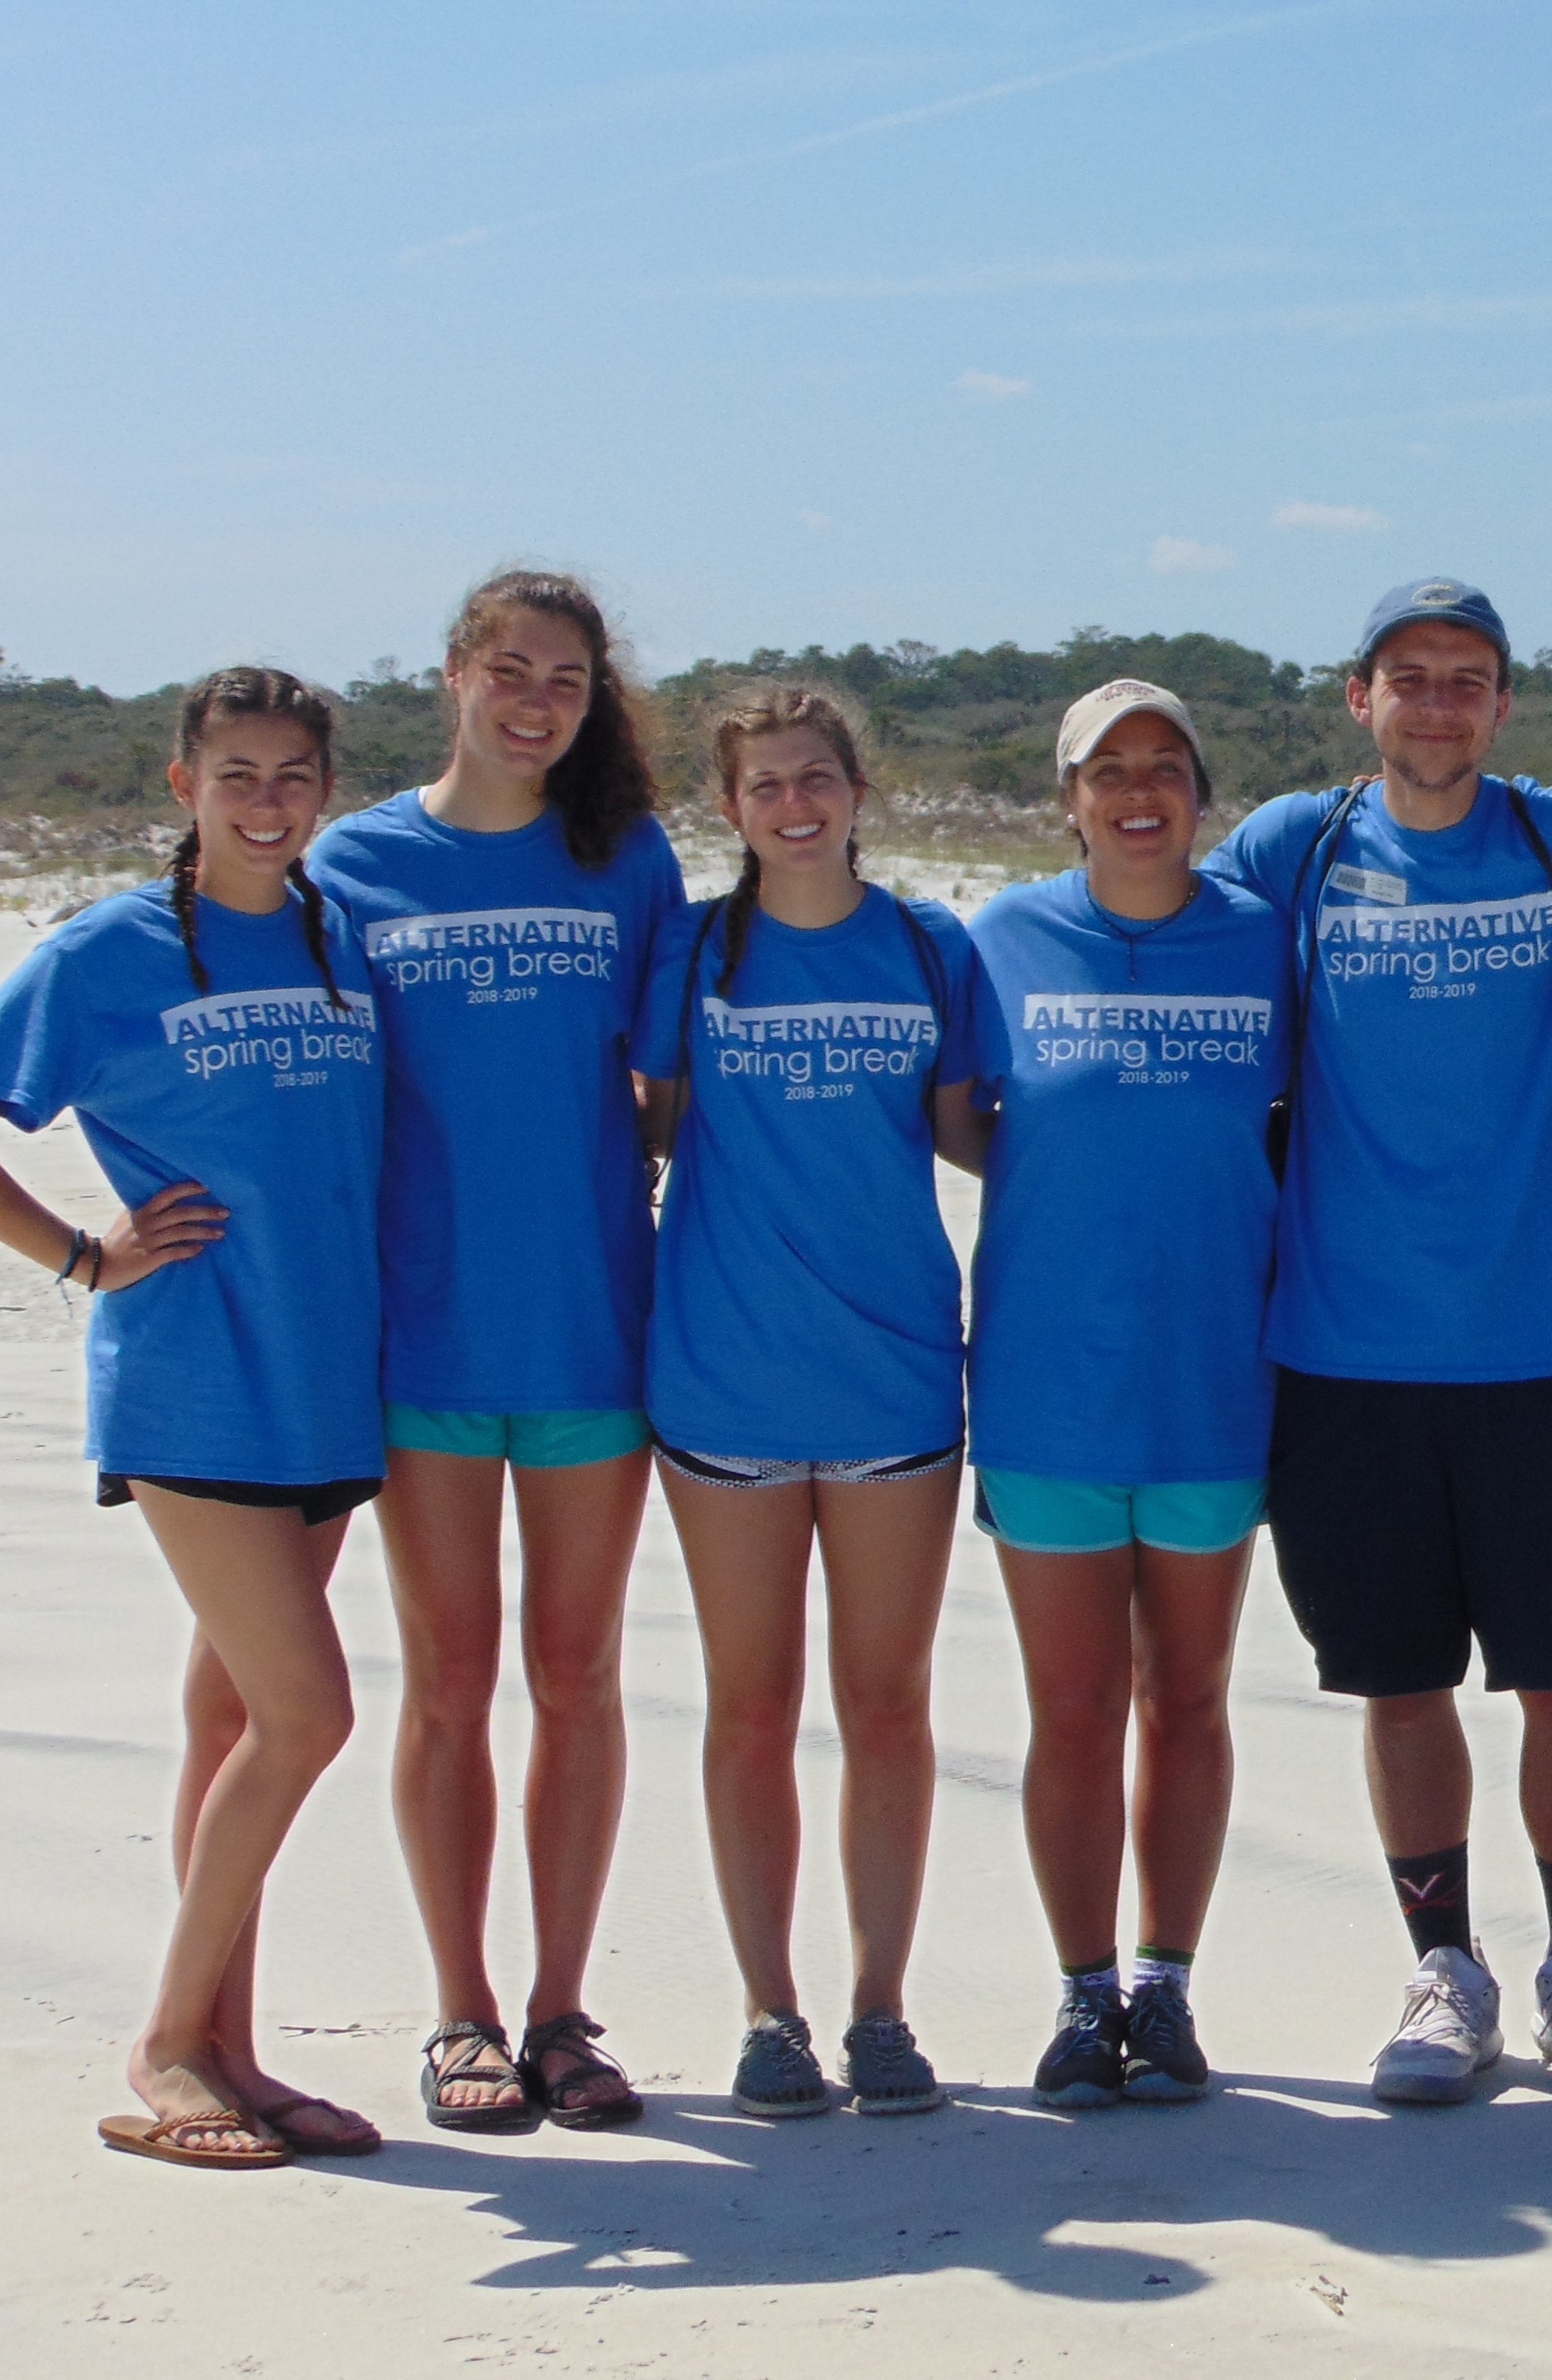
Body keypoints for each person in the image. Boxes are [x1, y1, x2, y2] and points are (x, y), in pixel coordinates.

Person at [1199, 578, 1552, 2107]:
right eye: (1409, 678)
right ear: (1357, 695)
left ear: (1502, 702)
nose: (1438, 705)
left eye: (1468, 680)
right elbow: (1170, 961)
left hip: (1535, 1344)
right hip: (1340, 1352)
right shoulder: (1290, 847)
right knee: (1401, 1684)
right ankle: (1446, 1971)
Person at [0, 668, 386, 2170]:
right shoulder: (105, 950)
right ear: (184, 786)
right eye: (236, 773)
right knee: (307, 1715)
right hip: (195, 1378)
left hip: (328, 1377)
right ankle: (169, 2043)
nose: (267, 800)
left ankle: (232, 2050)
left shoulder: (340, 936)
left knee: (232, 1715)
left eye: (294, 775)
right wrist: (80, 1256)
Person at [305, 571, 683, 2135]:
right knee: (449, 1680)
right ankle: (458, 2012)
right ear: (454, 672)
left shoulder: (628, 859)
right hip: (427, 1332)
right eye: (511, 670)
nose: (537, 701)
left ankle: (559, 2010)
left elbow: (664, 1095)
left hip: (594, 1327)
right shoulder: (354, 861)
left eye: (569, 680)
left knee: (579, 1675)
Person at [633, 687, 976, 2120]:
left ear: (855, 789)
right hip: (721, 1379)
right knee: (749, 1708)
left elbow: (976, 1138)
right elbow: (636, 1133)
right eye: (764, 784)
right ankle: (769, 2012)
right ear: (728, 807)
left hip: (897, 1376)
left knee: (887, 1706)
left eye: (815, 777)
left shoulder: (925, 945)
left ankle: (880, 2008)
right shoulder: (692, 949)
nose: (793, 803)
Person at [945, 681, 1285, 2110]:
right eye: (1107, 771)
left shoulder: (1267, 942)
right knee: (1074, 1706)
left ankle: (1166, 1983)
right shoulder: (1000, 940)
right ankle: (1084, 1995)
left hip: (1213, 1386)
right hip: (1047, 1393)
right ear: (1068, 797)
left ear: (1200, 793)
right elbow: (962, 1119)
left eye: (1165, 765)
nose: (1137, 790)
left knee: (1190, 1696)